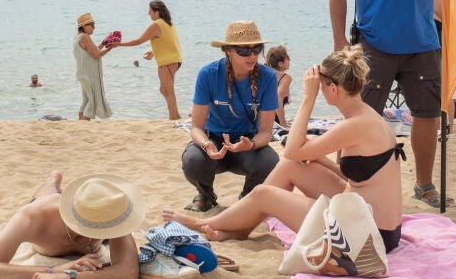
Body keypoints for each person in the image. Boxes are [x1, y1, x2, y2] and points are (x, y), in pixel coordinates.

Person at [164, 45, 404, 253]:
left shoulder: (355, 125)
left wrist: (307, 99)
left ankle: (205, 224)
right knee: (291, 166)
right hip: (368, 218)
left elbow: (292, 149)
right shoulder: (364, 115)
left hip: (368, 235)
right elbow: (360, 178)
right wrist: (321, 159)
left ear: (333, 89)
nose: (318, 90)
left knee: (263, 194)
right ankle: (241, 229)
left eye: (320, 86)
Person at [329, 0, 451, 208]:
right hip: (372, 43)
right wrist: (339, 42)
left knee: (427, 114)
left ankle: (424, 185)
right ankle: (347, 183)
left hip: (422, 41)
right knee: (358, 116)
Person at [0, 172, 143, 279]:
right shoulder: (33, 216)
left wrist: (69, 277)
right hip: (46, 205)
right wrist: (53, 270)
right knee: (47, 194)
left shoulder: (113, 212)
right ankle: (52, 180)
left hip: (87, 212)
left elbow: (128, 269)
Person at [180, 20, 280, 213]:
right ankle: (205, 195)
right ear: (228, 50)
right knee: (192, 160)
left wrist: (250, 144)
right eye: (244, 50)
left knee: (269, 161)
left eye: (257, 49)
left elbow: (266, 132)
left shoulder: (267, 77)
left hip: (246, 145)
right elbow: (196, 127)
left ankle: (248, 198)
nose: (252, 56)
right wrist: (206, 144)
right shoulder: (208, 74)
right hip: (214, 142)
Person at [110, 0, 183, 119]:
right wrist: (153, 53)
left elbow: (138, 41)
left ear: (157, 12)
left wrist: (118, 44)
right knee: (163, 89)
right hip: (175, 60)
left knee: (169, 91)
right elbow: (169, 42)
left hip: (167, 62)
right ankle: (176, 116)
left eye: (150, 11)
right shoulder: (168, 23)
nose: (149, 13)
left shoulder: (156, 25)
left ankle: (173, 118)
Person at [73, 13, 113, 121]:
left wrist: (103, 44)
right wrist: (110, 48)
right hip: (88, 74)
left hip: (81, 72)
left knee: (86, 100)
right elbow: (96, 55)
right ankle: (85, 123)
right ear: (84, 26)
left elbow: (92, 51)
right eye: (91, 25)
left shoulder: (77, 37)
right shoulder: (85, 37)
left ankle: (80, 123)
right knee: (92, 101)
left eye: (94, 25)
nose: (94, 27)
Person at [265, 45, 293, 128]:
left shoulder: (262, 72)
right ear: (280, 64)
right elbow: (278, 99)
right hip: (273, 123)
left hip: (257, 121)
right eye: (287, 58)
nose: (290, 60)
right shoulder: (285, 78)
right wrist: (284, 124)